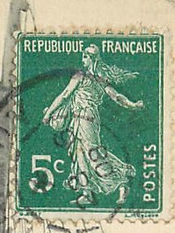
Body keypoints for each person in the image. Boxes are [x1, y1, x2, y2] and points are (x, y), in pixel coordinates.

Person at [42, 44, 144, 208]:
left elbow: (65, 95)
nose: (83, 59)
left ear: (91, 59)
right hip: (87, 119)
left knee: (91, 153)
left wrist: (48, 114)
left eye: (85, 56)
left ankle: (121, 179)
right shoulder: (100, 80)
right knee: (83, 154)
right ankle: (87, 193)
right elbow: (117, 96)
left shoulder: (80, 76)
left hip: (83, 119)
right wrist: (132, 105)